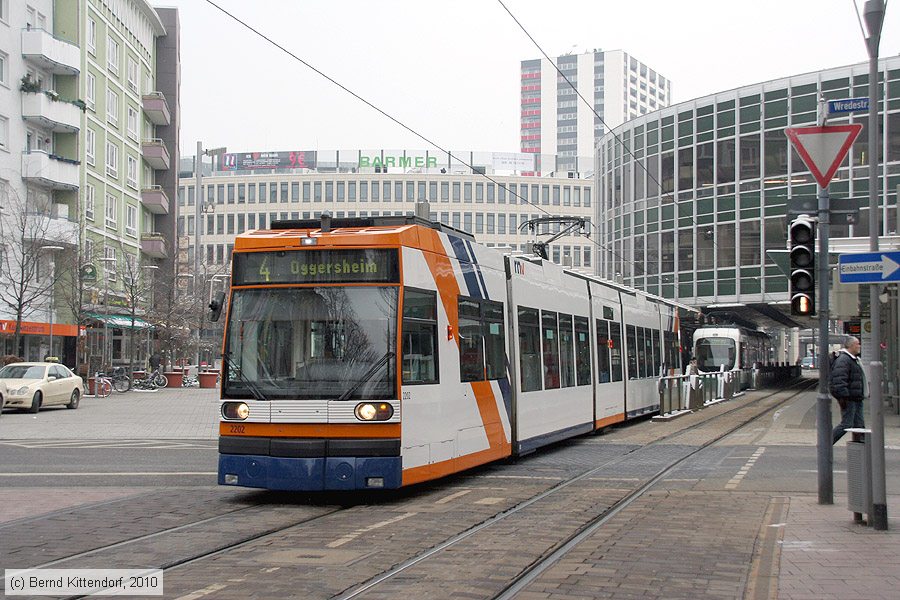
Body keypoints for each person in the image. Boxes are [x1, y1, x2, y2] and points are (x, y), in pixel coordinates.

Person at [830, 336, 866, 445]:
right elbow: (839, 380)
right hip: (849, 398)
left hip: (856, 398)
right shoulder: (844, 360)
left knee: (859, 425)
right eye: (857, 344)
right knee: (847, 424)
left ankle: (861, 447)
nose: (859, 346)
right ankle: (825, 443)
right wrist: (844, 398)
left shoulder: (852, 359)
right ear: (850, 345)